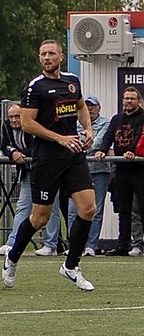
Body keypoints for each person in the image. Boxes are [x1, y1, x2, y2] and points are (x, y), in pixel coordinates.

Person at [2, 39, 97, 291]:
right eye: (43, 54)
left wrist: (88, 129)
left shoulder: (72, 81)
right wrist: (59, 138)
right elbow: (27, 123)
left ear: (61, 57)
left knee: (88, 209)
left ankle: (71, 266)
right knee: (40, 218)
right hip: (47, 159)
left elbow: (80, 106)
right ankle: (12, 256)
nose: (47, 57)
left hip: (73, 155)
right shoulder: (35, 87)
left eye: (51, 53)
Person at [0, 103, 62, 256]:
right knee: (22, 206)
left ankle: (51, 245)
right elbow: (4, 145)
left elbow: (39, 147)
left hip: (48, 171)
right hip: (28, 171)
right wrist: (12, 152)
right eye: (11, 117)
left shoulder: (34, 125)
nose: (14, 120)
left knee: (50, 208)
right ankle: (12, 243)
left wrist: (21, 153)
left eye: (17, 116)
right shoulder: (7, 126)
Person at [93, 87, 144, 256]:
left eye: (132, 98)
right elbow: (108, 136)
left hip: (139, 169)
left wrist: (132, 151)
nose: (129, 101)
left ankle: (140, 244)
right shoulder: (117, 118)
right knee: (123, 209)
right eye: (126, 98)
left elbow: (139, 136)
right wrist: (102, 150)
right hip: (121, 168)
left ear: (139, 101)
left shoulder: (142, 117)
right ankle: (123, 245)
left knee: (141, 207)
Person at [72, 96, 110, 256]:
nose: (89, 109)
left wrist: (79, 145)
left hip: (99, 171)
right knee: (73, 210)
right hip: (77, 171)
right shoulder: (74, 123)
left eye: (93, 106)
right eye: (86, 106)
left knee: (95, 209)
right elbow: (72, 142)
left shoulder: (105, 123)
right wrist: (81, 144)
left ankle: (90, 246)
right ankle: (75, 246)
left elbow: (97, 142)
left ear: (99, 107)